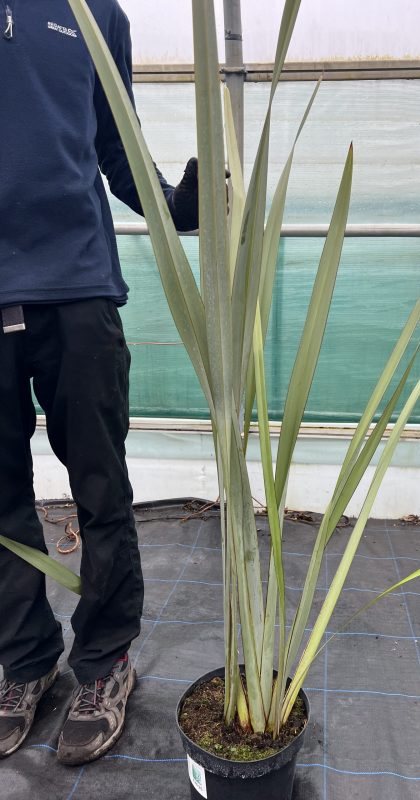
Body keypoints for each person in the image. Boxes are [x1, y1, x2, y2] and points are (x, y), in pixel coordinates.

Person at [0, 0, 202, 765]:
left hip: (77, 286)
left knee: (101, 488)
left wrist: (176, 207)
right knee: (0, 499)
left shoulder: (95, 14)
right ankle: (24, 662)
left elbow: (115, 145)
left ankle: (104, 662)